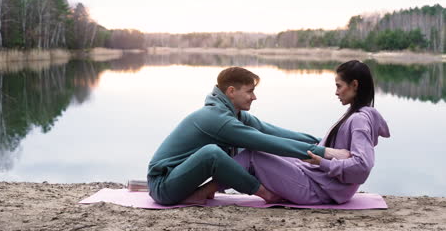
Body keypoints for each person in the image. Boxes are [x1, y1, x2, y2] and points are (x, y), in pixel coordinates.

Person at [147, 67, 350, 205]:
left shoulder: (235, 115)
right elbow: (266, 143)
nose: (254, 97)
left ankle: (200, 194)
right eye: (250, 91)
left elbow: (274, 132)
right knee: (212, 153)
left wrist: (323, 142)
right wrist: (324, 153)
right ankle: (265, 194)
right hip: (164, 186)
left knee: (222, 152)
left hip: (181, 179)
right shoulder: (217, 119)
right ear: (231, 91)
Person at [230, 60, 390, 204]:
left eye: (339, 86)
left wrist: (322, 162)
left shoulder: (359, 120)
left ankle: (208, 190)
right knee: (265, 152)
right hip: (319, 181)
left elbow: (362, 166)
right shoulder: (356, 115)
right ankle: (214, 186)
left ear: (354, 85)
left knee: (253, 156)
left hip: (319, 190)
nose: (336, 92)